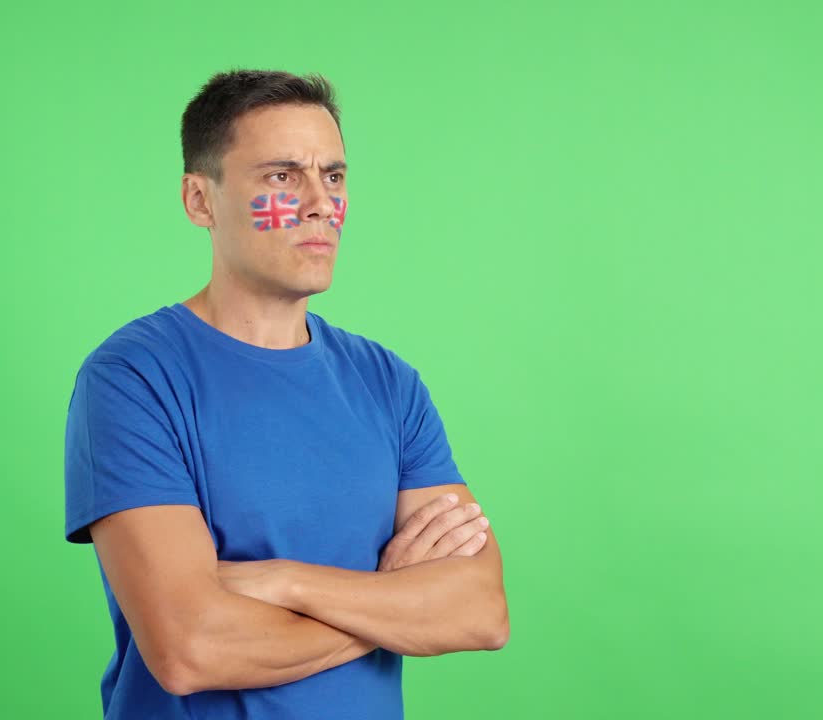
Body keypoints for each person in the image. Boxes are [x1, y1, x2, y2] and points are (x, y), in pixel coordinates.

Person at [63, 68, 508, 719]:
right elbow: (191, 648)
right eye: (281, 176)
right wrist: (393, 603)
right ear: (199, 201)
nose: (320, 202)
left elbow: (480, 611)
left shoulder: (388, 384)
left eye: (332, 176)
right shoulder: (133, 379)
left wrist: (284, 582)